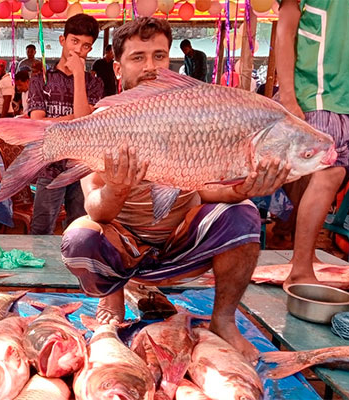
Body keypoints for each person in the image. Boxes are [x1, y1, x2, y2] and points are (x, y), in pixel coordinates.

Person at [60, 17, 290, 361]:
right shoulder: (101, 121)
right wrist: (117, 191)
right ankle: (113, 294)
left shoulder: (197, 113)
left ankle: (223, 319)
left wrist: (244, 189)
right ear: (118, 67)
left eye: (159, 56)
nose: (150, 66)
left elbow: (212, 191)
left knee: (244, 213)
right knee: (80, 238)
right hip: (125, 247)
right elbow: (95, 208)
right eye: (138, 57)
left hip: (181, 245)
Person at [276, 0, 349, 286]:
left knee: (323, 178)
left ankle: (304, 257)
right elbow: (285, 31)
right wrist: (288, 96)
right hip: (318, 94)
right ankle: (301, 267)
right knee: (331, 173)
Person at [27, 13, 104, 235]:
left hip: (82, 167)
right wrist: (76, 118)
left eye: (86, 46)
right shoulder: (41, 80)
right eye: (74, 41)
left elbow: (87, 125)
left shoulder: (94, 83)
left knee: (81, 230)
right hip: (50, 165)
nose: (79, 50)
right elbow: (38, 124)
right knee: (41, 230)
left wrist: (79, 74)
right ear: (63, 40)